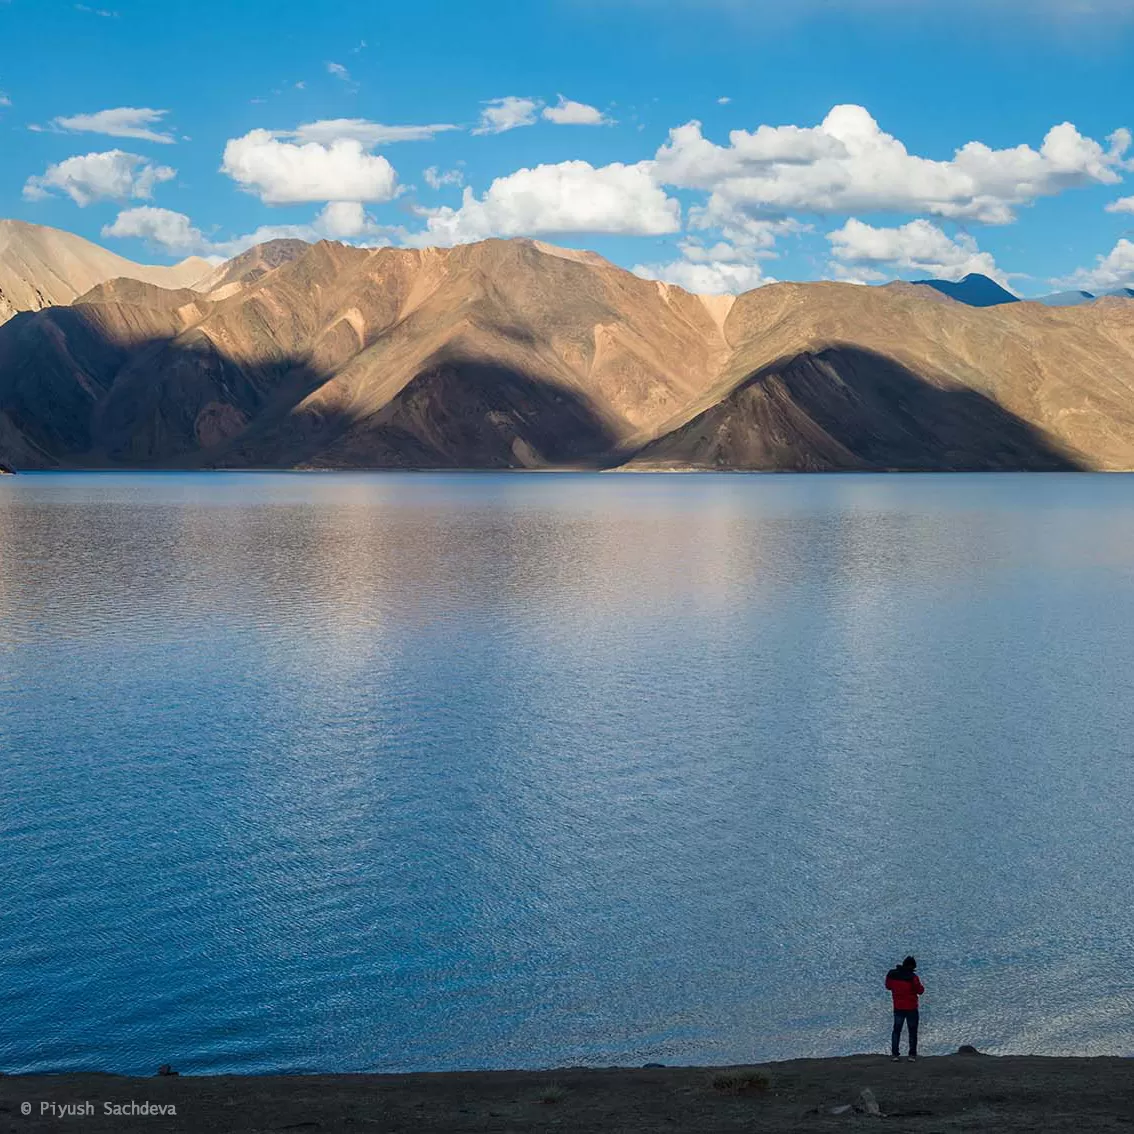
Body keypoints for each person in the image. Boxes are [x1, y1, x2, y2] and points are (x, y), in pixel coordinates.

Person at [885, 955, 924, 1061]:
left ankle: (895, 1055)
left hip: (898, 1007)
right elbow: (920, 990)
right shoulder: (913, 977)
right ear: (912, 967)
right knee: (912, 1031)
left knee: (896, 1031)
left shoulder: (892, 974)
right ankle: (911, 1055)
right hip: (911, 1007)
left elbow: (888, 986)